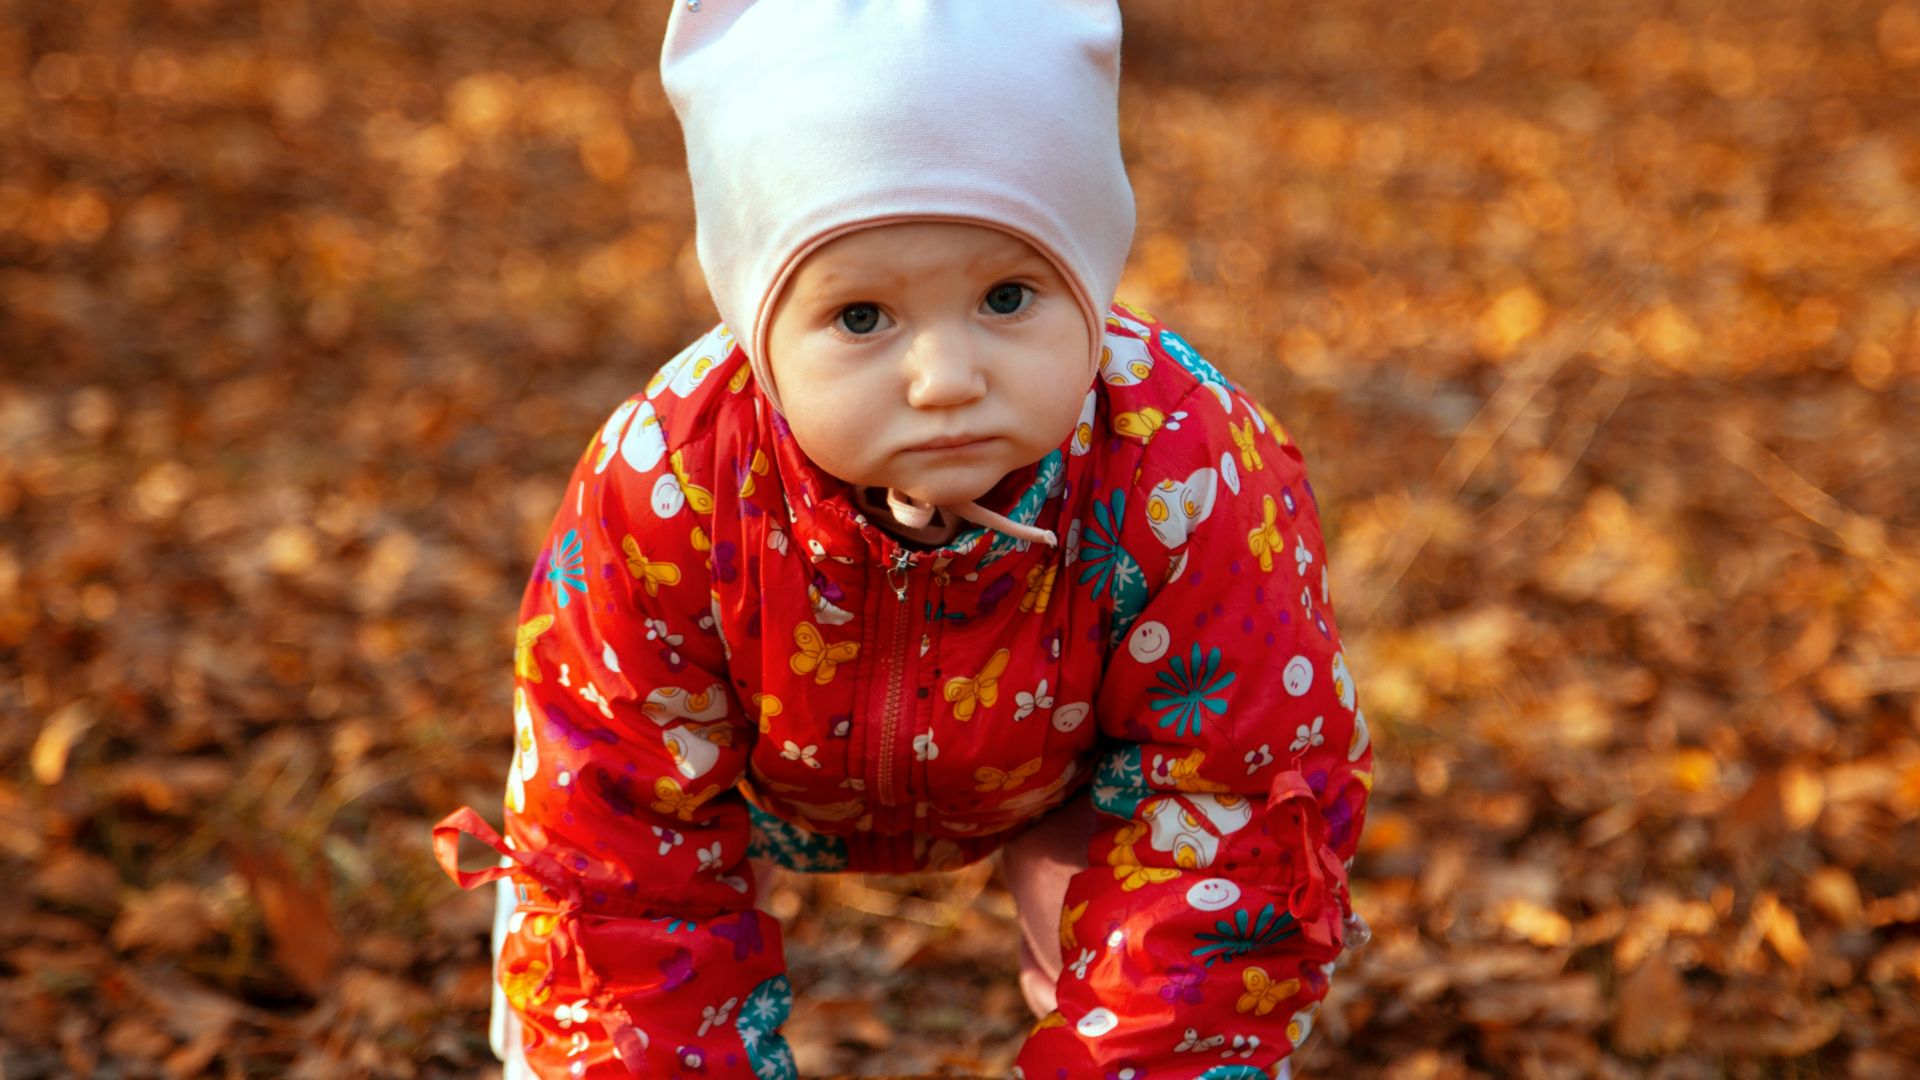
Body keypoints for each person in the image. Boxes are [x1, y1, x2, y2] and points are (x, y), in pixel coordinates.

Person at [432, 2, 1373, 1077]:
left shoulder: (1187, 472)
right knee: (593, 939)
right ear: (758, 327)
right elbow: (615, 825)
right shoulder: (670, 485)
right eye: (863, 317)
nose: (945, 379)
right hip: (747, 770)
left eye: (1009, 296)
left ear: (1092, 286)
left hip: (1072, 780)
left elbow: (1232, 804)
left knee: (1171, 954)